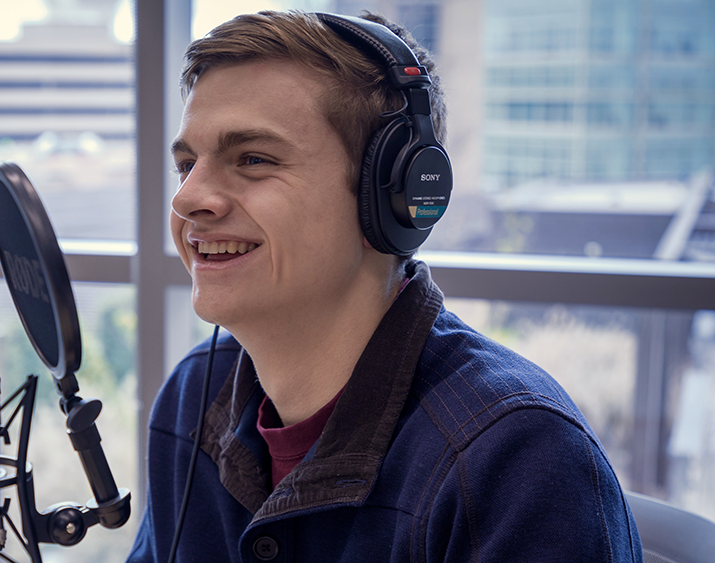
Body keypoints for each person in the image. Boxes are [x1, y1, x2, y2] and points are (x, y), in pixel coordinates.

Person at [127, 10, 643, 563]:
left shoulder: (519, 460)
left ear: (390, 197)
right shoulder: (195, 397)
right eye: (186, 165)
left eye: (253, 159)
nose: (187, 199)